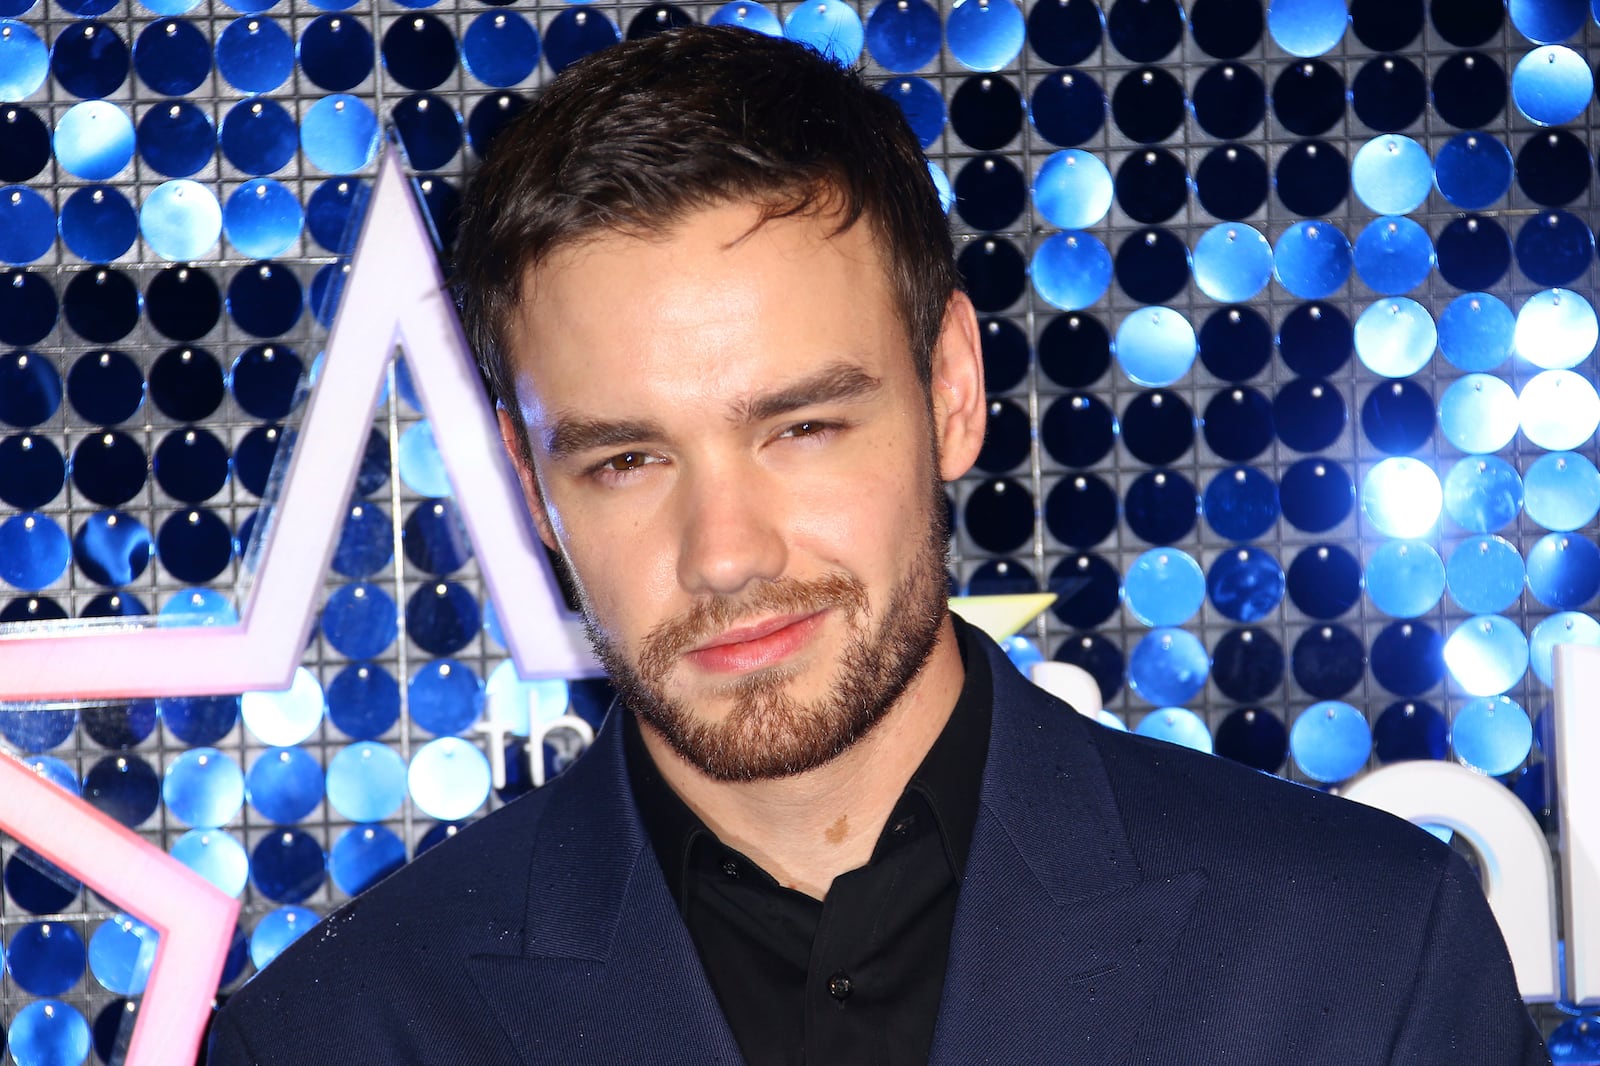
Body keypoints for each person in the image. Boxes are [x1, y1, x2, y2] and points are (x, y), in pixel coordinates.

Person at [209, 26, 1549, 1065]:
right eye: (627, 459)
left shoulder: (1362, 956)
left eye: (800, 426)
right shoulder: (342, 1032)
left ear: (951, 390)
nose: (723, 552)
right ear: (531, 487)